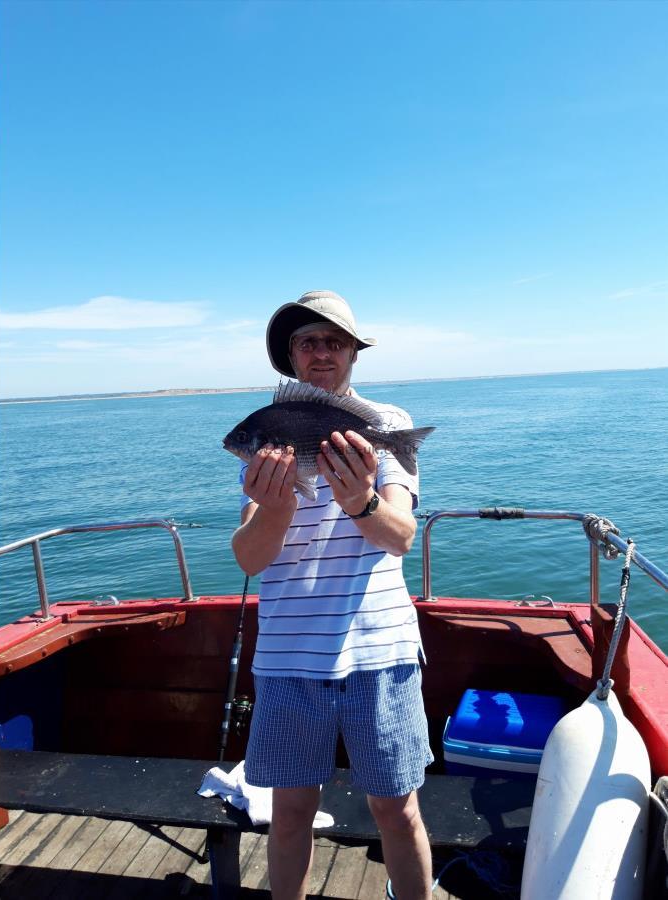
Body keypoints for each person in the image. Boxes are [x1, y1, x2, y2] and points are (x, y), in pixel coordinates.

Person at [232, 290, 433, 900]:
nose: (321, 352)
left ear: (353, 352)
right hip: (290, 658)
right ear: (290, 356)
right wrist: (276, 506)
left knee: (396, 811)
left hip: (382, 650)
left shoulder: (387, 426)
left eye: (334, 341)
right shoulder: (269, 438)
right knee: (289, 813)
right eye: (307, 341)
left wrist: (360, 501)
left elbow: (399, 537)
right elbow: (249, 558)